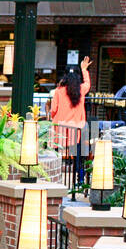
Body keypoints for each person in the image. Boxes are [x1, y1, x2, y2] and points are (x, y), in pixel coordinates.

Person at [48, 56, 90, 187]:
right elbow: (87, 84)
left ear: (65, 76)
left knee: (56, 153)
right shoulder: (81, 90)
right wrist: (84, 69)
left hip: (60, 130)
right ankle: (80, 180)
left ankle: (54, 178)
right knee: (79, 156)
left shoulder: (59, 91)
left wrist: (52, 115)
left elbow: (54, 109)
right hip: (76, 130)